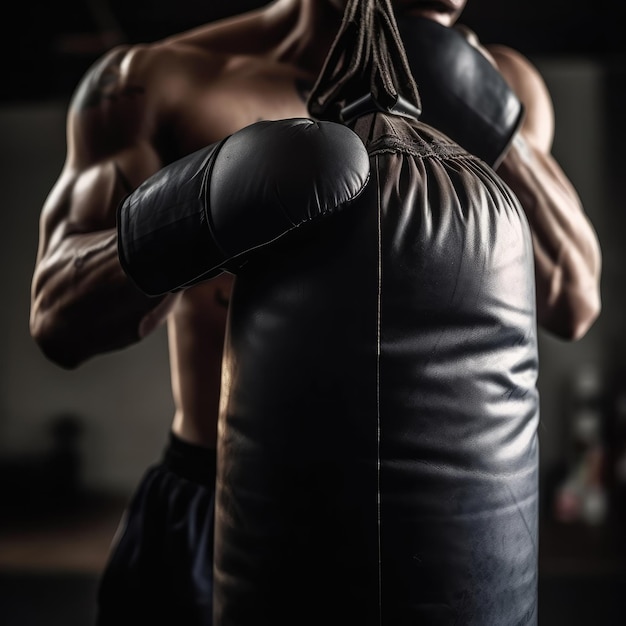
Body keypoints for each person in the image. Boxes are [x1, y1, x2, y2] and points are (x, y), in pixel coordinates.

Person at [29, 0, 602, 623]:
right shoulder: (164, 82)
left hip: (435, 523)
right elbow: (57, 315)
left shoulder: (503, 84)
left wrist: (493, 124)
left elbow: (574, 299)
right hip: (214, 503)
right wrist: (199, 212)